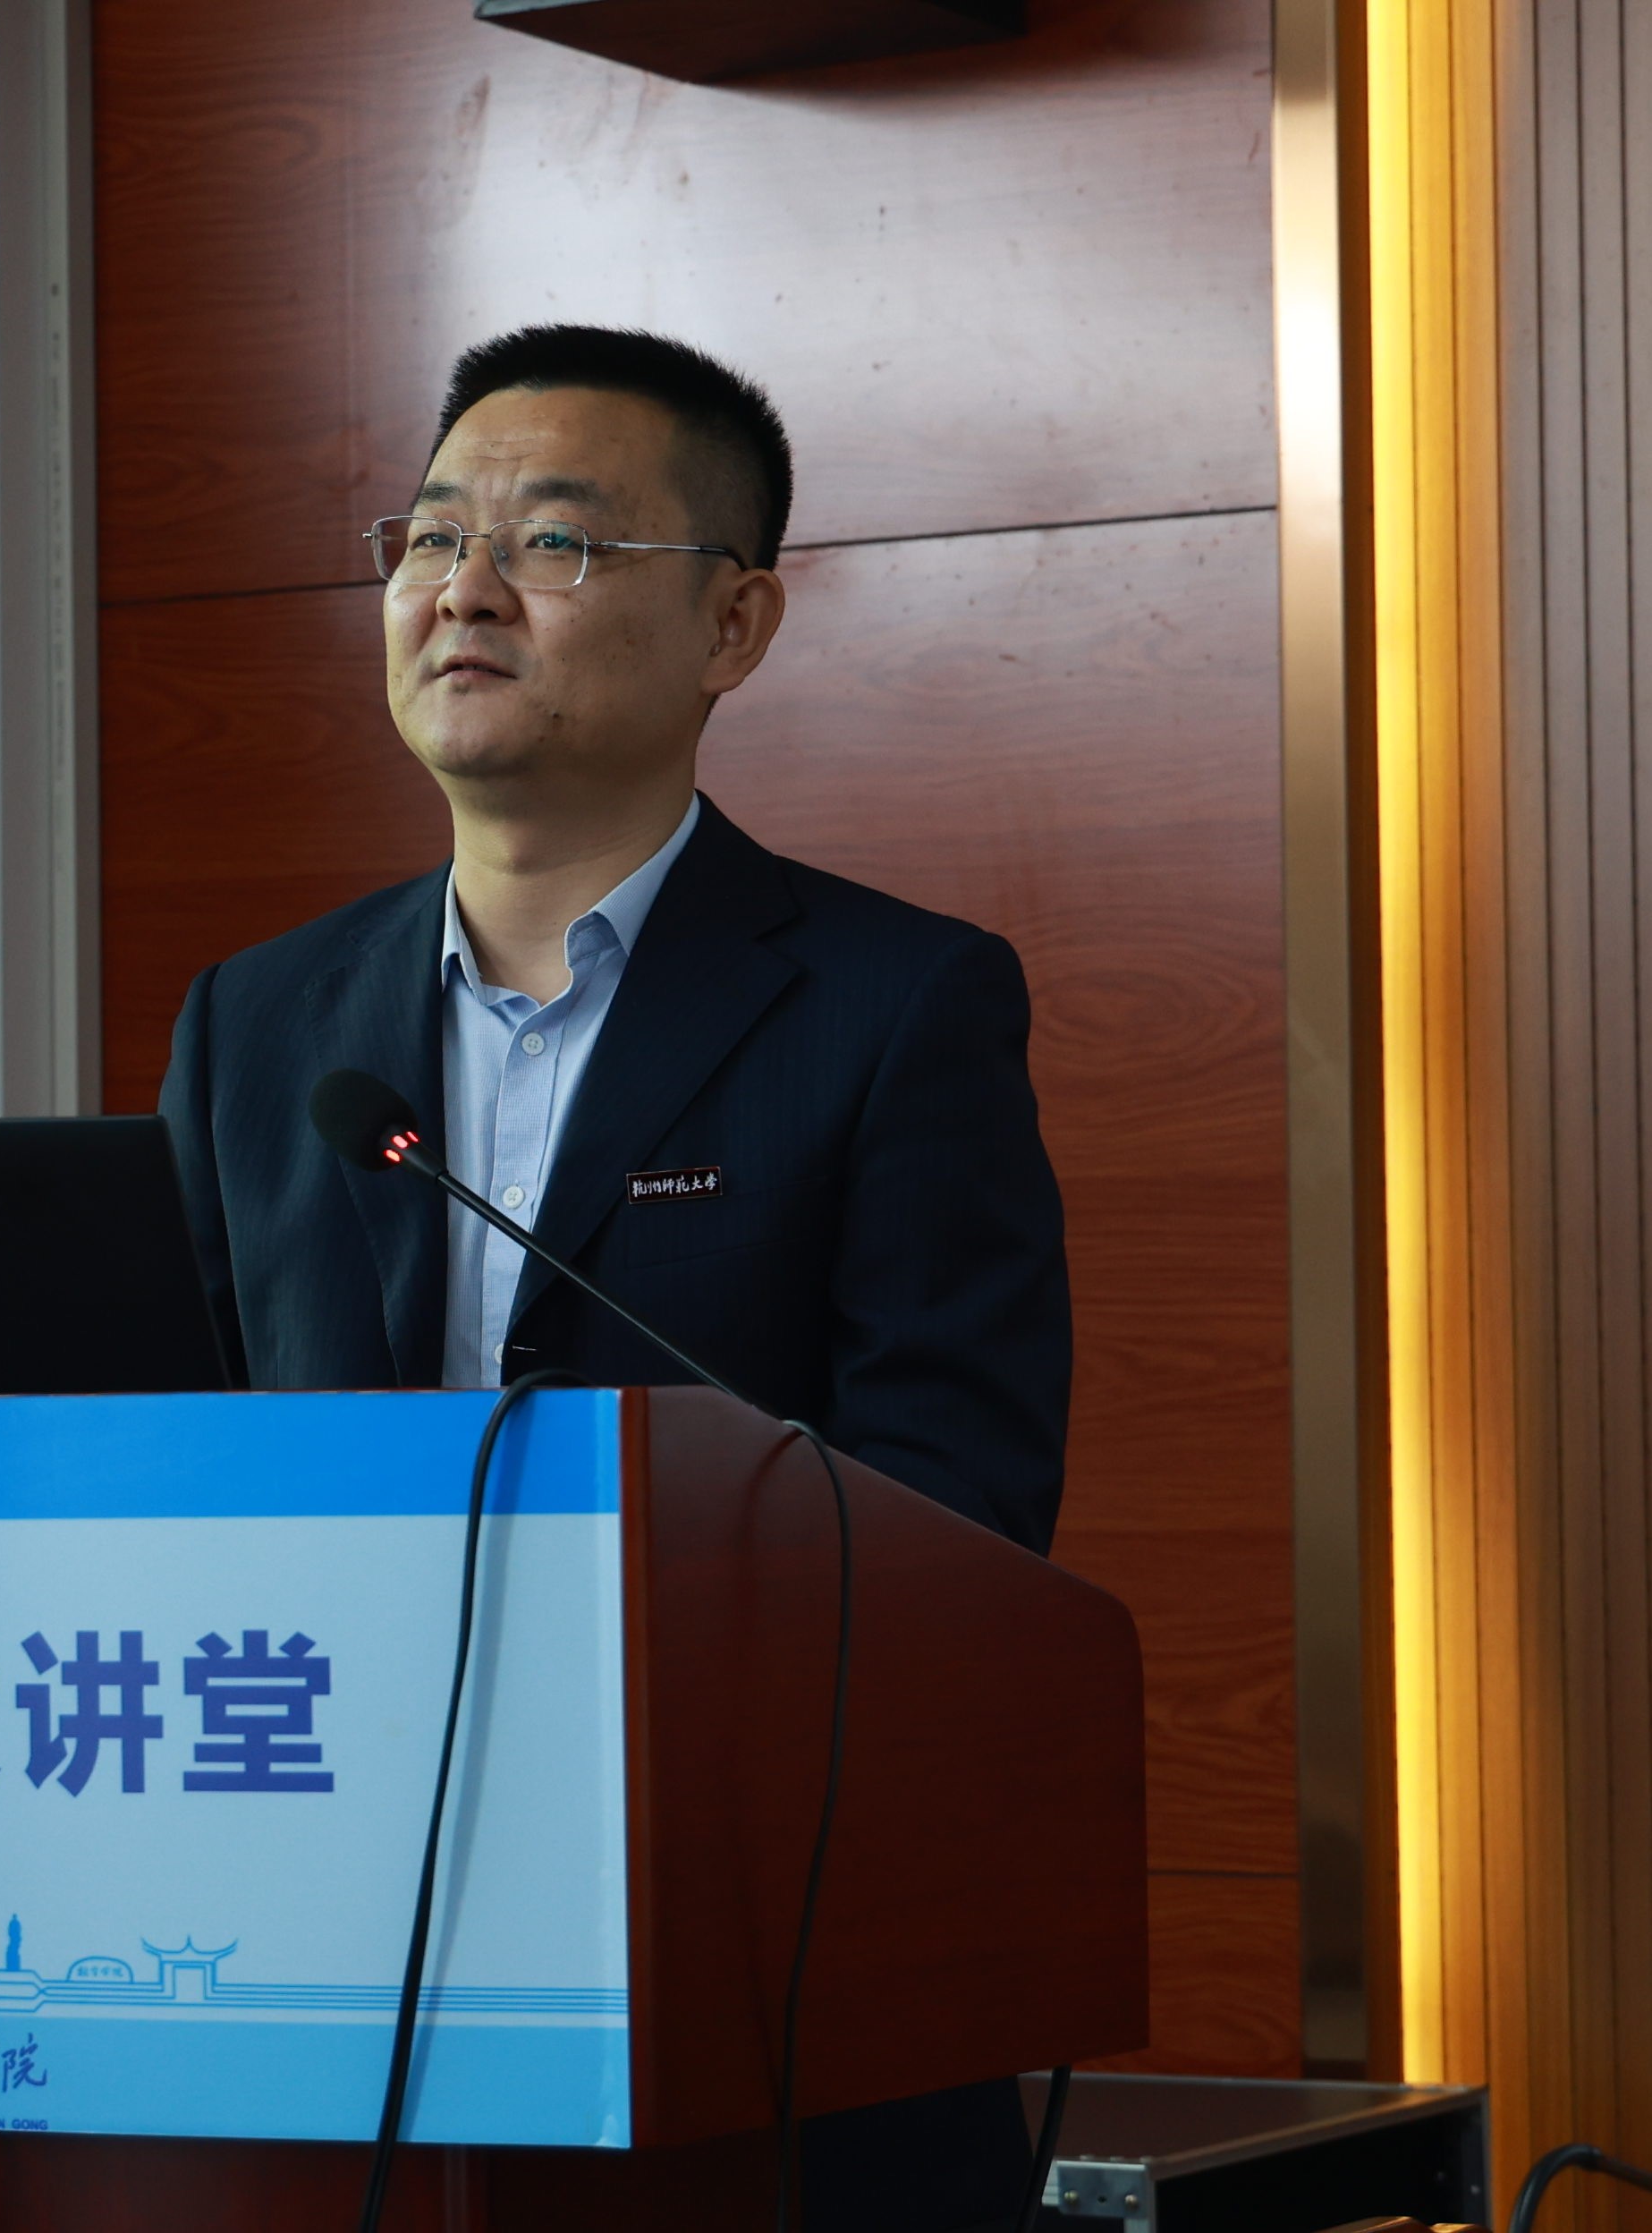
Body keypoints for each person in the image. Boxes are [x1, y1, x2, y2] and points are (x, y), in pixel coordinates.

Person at [155, 325, 1074, 2225]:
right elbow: (178, 1458)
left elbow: (955, 1519)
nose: (465, 590)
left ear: (735, 624)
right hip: (327, 1962)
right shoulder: (259, 1024)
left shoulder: (895, 1006)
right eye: (431, 536)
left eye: (555, 543)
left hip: (749, 1972)